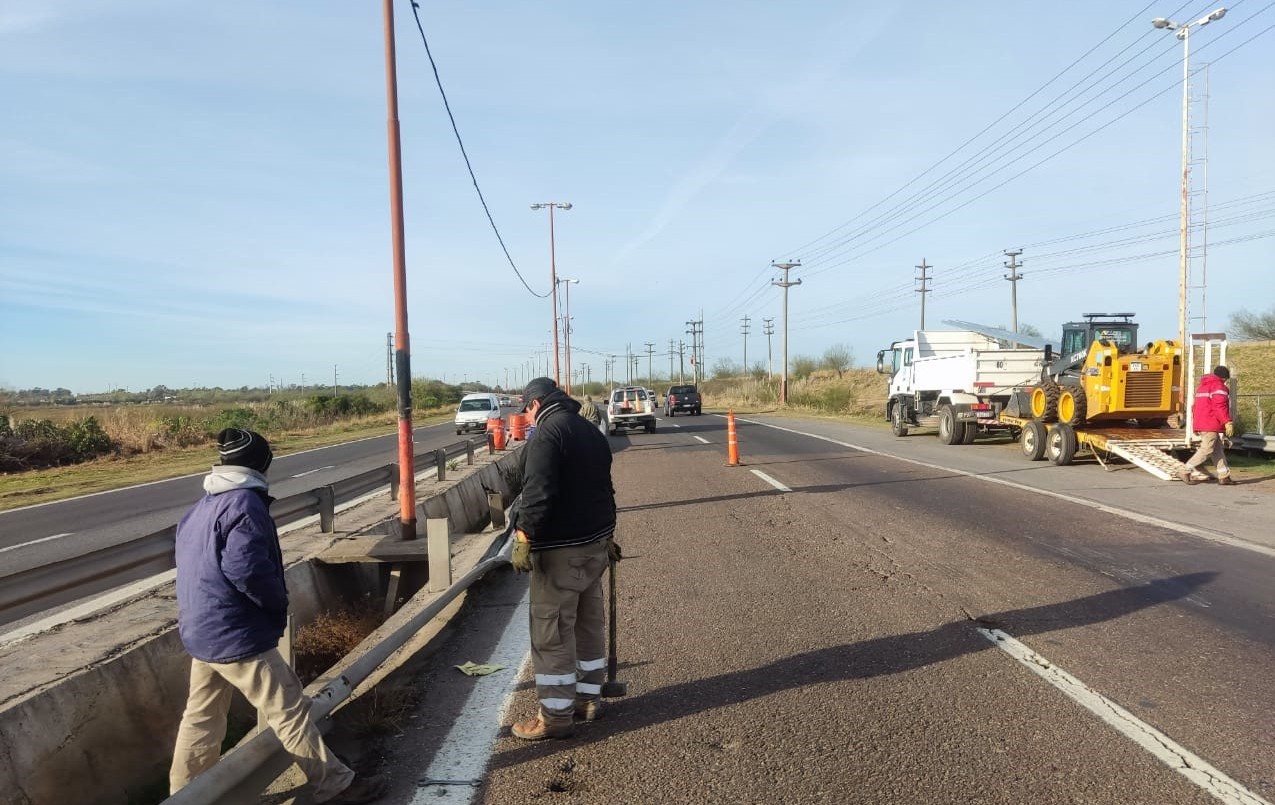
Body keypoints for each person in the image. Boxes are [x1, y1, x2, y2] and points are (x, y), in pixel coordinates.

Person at [170, 428, 384, 804]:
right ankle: (335, 786)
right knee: (288, 710)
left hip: (201, 629)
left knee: (201, 718)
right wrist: (276, 603)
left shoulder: (202, 506)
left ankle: (183, 795)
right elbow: (247, 569)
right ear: (261, 463)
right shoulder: (244, 505)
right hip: (237, 634)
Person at [510, 377, 619, 740]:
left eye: (526, 410)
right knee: (588, 627)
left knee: (553, 632)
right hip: (595, 548)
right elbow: (605, 489)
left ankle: (555, 718)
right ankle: (587, 701)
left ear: (536, 404)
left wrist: (524, 536)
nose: (525, 417)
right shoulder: (591, 433)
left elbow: (537, 494)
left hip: (561, 553)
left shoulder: (546, 435)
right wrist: (609, 536)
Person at [1179, 365, 1235, 486]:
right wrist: (1227, 421)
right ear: (1224, 377)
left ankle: (1224, 476)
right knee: (1207, 449)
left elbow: (1196, 407)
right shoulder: (1219, 387)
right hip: (1211, 423)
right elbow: (1219, 406)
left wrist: (1196, 425)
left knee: (1217, 450)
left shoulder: (1202, 387)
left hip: (1203, 422)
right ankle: (1184, 470)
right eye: (1226, 379)